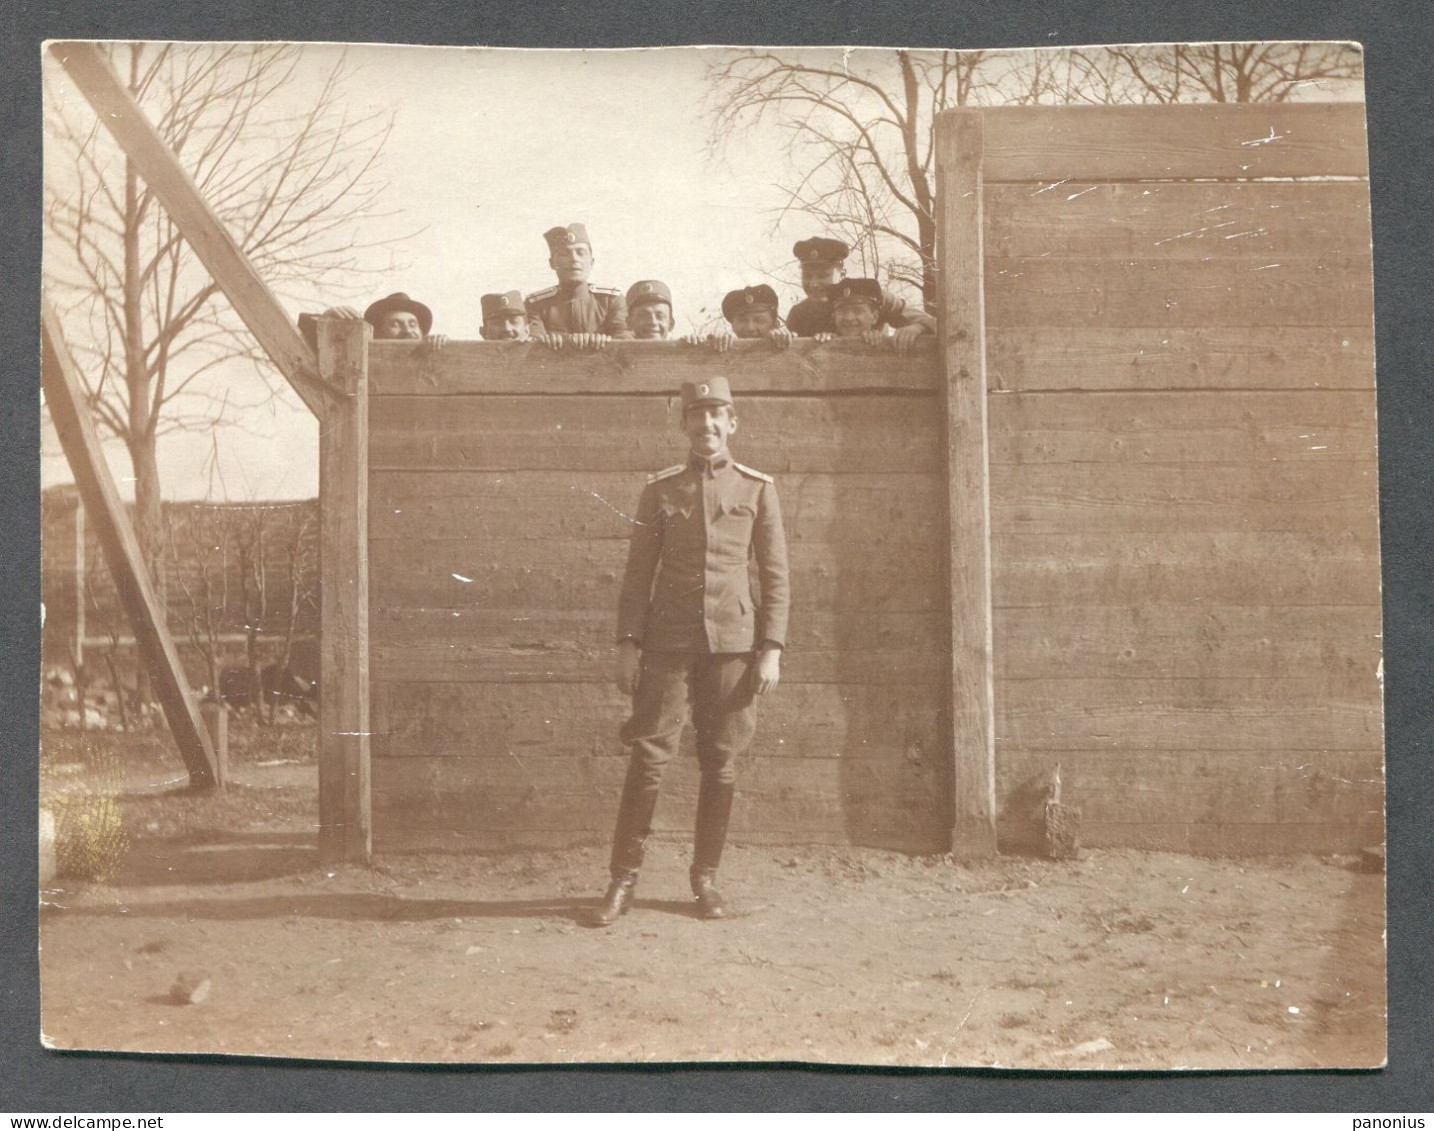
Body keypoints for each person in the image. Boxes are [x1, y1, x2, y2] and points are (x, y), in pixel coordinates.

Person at [593, 376, 790, 927]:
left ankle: (705, 880)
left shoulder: (757, 488)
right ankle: (622, 880)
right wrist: (628, 644)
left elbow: (775, 576)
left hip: (734, 645)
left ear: (732, 423)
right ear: (683, 424)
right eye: (695, 417)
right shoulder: (660, 490)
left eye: (716, 417)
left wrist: (771, 647)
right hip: (668, 643)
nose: (706, 426)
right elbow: (638, 576)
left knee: (721, 760)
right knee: (651, 757)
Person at [785, 236, 934, 354]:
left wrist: (916, 328)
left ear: (842, 274)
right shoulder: (800, 313)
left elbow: (930, 322)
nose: (813, 284)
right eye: (807, 276)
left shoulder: (873, 297)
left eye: (823, 276)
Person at [526, 223, 632, 350]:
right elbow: (533, 347)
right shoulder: (535, 305)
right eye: (564, 254)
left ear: (592, 262)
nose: (574, 259)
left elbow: (624, 342)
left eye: (581, 253)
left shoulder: (612, 301)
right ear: (552, 263)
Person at [300, 291, 446, 350]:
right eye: (395, 324)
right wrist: (326, 323)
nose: (407, 330)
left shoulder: (431, 354)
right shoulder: (363, 358)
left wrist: (445, 348)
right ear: (379, 333)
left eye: (413, 324)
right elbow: (305, 343)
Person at [699, 284, 795, 352]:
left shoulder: (793, 350)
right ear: (732, 325)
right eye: (742, 320)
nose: (750, 328)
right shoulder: (722, 357)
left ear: (775, 324)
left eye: (759, 320)